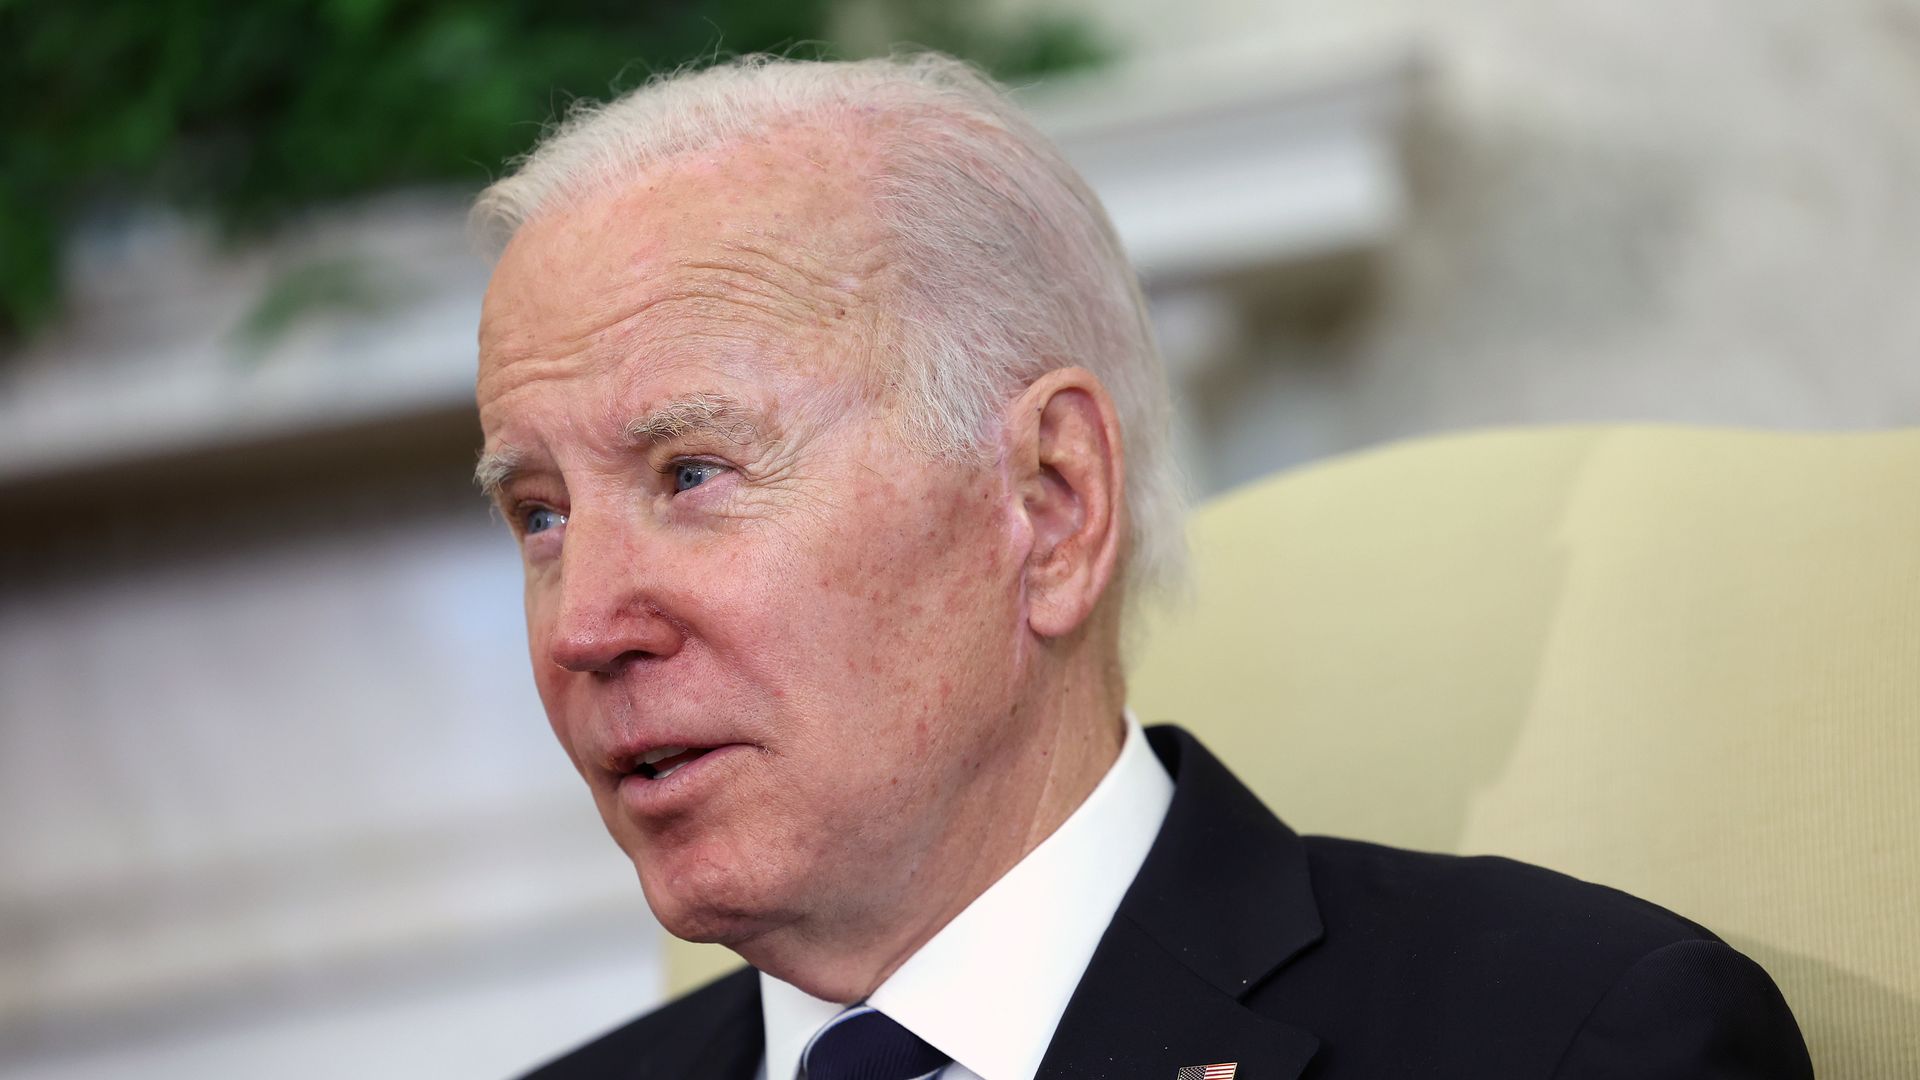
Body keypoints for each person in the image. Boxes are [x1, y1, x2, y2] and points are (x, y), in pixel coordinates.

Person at [470, 52, 1811, 1080]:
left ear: (1049, 504)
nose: (583, 625)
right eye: (539, 516)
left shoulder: (1572, 1038)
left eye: (692, 475)